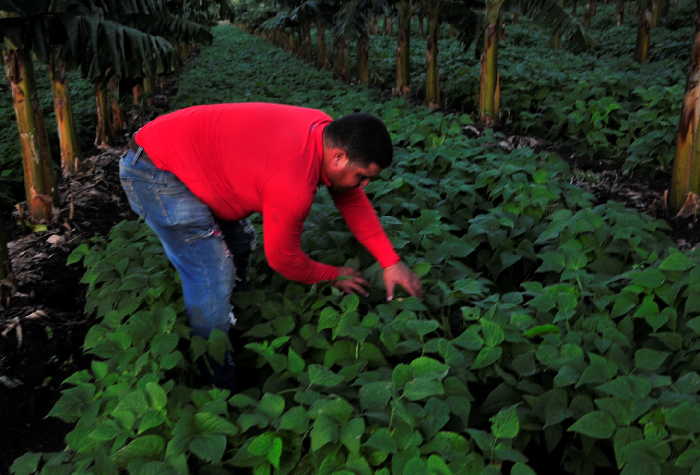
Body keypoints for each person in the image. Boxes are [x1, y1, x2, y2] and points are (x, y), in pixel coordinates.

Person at [118, 102, 422, 388]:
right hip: (154, 171)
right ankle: (217, 381)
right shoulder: (293, 182)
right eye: (362, 176)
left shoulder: (322, 131)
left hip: (180, 154)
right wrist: (333, 274)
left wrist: (390, 261)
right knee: (211, 273)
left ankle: (233, 312)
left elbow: (351, 198)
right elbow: (283, 259)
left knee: (239, 240)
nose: (363, 185)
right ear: (339, 157)